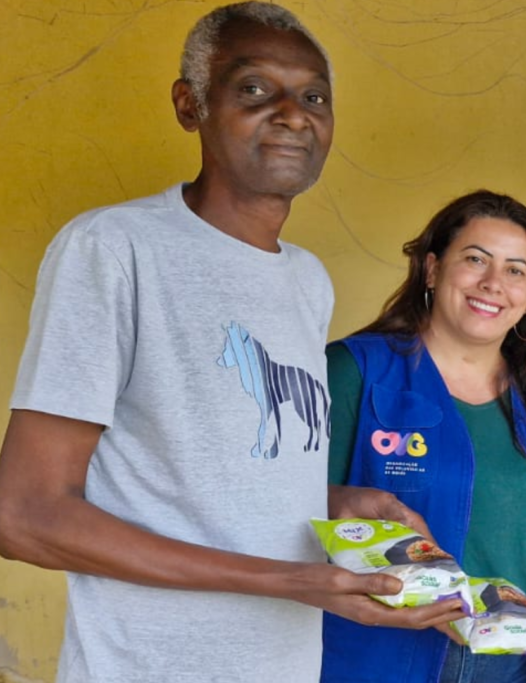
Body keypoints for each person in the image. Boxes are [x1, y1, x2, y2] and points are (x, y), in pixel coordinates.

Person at [0, 4, 454, 682]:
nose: (292, 113)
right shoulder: (115, 250)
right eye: (252, 88)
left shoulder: (305, 280)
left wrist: (332, 501)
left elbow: (209, 475)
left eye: (313, 96)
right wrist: (289, 580)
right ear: (191, 105)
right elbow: (25, 514)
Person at [322, 190, 526, 683]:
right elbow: (293, 508)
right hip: (385, 656)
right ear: (432, 269)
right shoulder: (357, 370)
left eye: (516, 270)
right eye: (475, 259)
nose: (493, 283)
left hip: (512, 662)